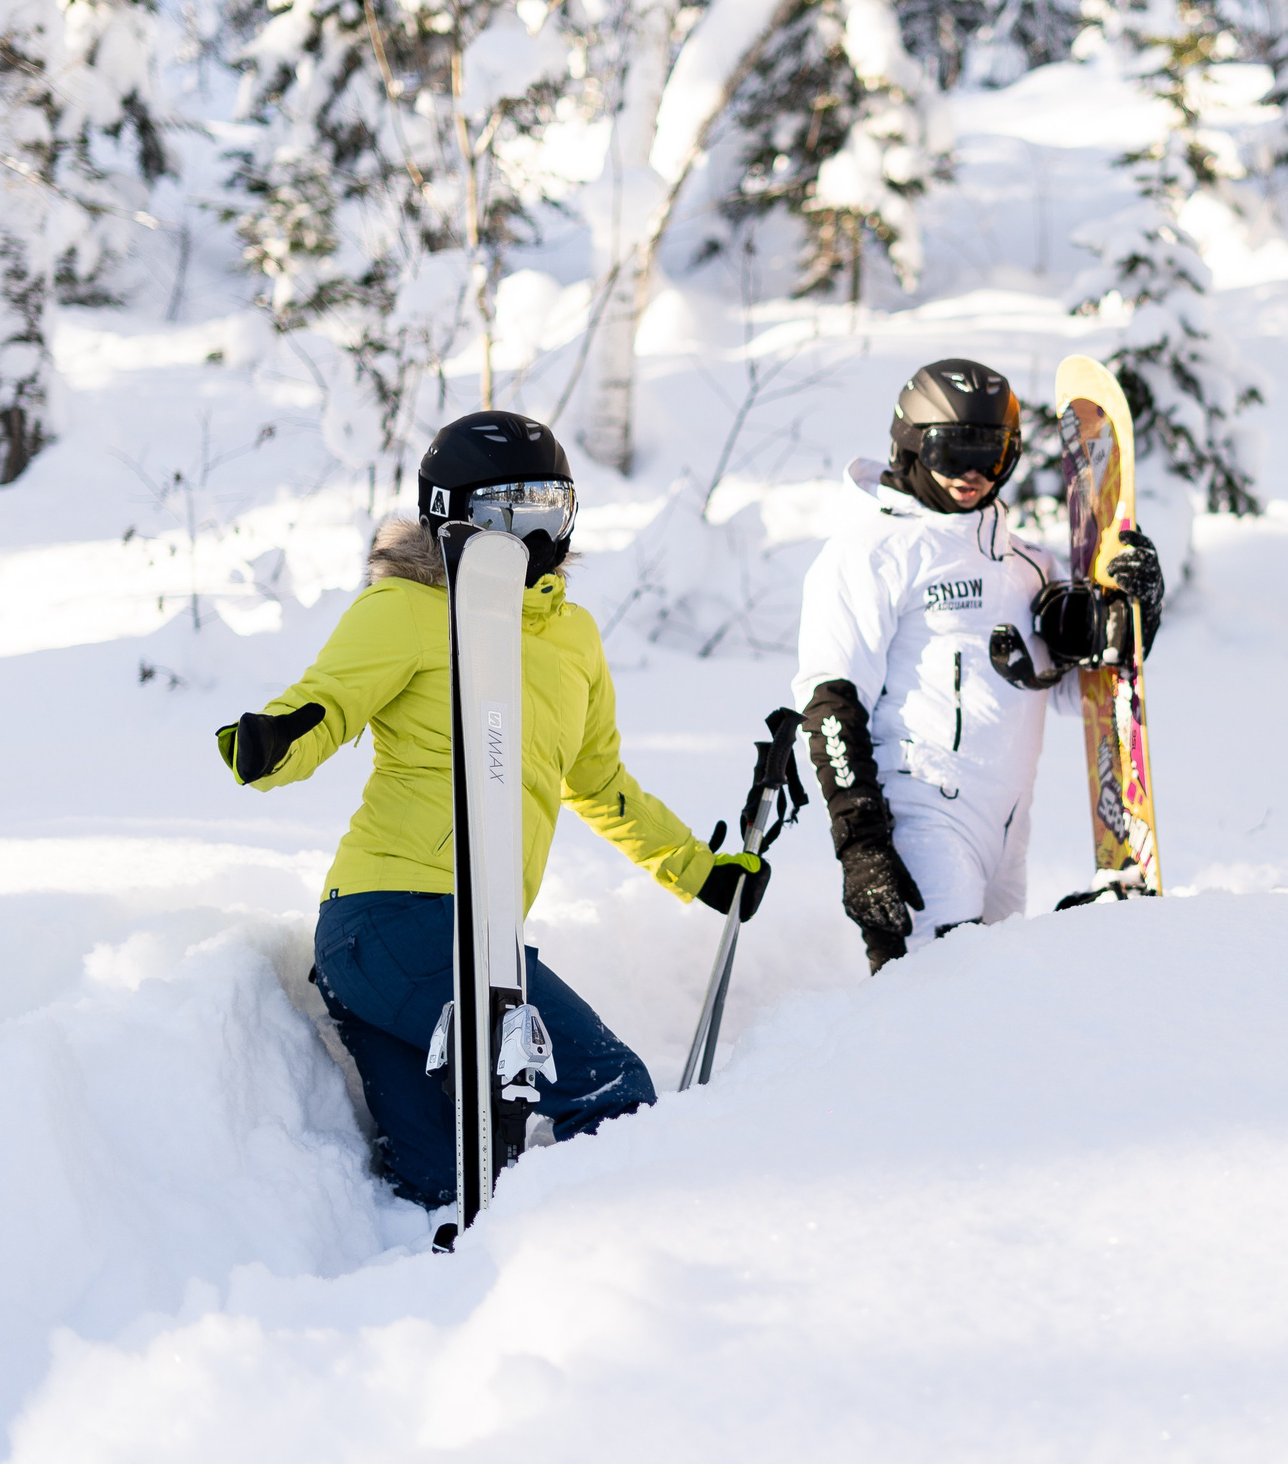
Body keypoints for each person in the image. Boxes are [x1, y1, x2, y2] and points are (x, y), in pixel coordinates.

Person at [215, 410, 768, 1207]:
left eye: (552, 509)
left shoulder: (572, 637)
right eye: (510, 512)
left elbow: (600, 780)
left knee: (453, 1180)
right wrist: (274, 741)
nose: (535, 534)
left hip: (477, 933)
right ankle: (608, 1253)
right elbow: (326, 703)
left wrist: (702, 872)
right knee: (613, 1094)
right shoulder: (404, 607)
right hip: (397, 917)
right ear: (452, 513)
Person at [792, 359, 1162, 971]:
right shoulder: (869, 552)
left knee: (991, 1011)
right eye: (952, 450)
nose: (972, 474)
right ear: (910, 443)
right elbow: (829, 702)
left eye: (993, 457)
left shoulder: (1028, 563)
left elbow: (1081, 693)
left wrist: (1136, 608)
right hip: (919, 816)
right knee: (939, 1003)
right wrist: (860, 845)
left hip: (1007, 830)